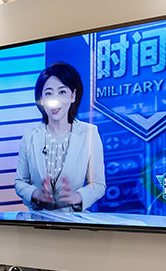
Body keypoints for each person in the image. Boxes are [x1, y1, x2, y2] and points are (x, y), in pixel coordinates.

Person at [13, 62, 106, 212]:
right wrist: (36, 194)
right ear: (41, 99)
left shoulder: (89, 133)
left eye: (62, 92)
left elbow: (98, 184)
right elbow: (20, 182)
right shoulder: (30, 136)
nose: (54, 100)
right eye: (48, 93)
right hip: (36, 220)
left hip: (74, 221)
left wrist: (76, 197)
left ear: (73, 96)